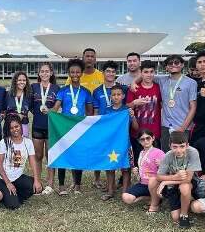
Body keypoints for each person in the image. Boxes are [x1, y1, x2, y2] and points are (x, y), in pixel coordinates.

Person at [53, 58, 93, 195]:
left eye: (77, 72)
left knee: (78, 156)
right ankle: (62, 186)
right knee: (63, 155)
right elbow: (56, 108)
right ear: (69, 73)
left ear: (81, 73)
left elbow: (89, 112)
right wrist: (50, 112)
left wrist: (89, 125)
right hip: (64, 128)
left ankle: (77, 185)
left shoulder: (86, 92)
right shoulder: (63, 90)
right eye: (72, 72)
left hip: (79, 129)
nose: (75, 74)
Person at [92, 61, 128, 190]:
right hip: (102, 128)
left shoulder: (122, 89)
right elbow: (95, 111)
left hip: (118, 130)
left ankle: (117, 185)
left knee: (118, 155)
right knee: (102, 153)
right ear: (103, 73)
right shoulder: (97, 91)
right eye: (108, 71)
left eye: (113, 71)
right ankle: (97, 179)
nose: (110, 74)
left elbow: (126, 107)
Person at [0, 114, 42, 210]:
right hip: (2, 179)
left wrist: (36, 180)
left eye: (16, 126)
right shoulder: (4, 142)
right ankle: (6, 195)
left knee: (38, 187)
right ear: (8, 129)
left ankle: (13, 195)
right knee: (14, 206)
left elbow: (33, 162)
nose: (15, 129)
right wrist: (8, 183)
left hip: (17, 177)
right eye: (11, 128)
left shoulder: (28, 142)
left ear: (21, 126)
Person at [156, 131, 202, 228]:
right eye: (175, 147)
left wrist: (166, 181)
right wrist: (174, 177)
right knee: (175, 217)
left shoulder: (193, 152)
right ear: (169, 146)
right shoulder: (168, 155)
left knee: (184, 187)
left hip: (189, 183)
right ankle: (187, 202)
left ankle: (184, 215)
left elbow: (188, 179)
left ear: (187, 145)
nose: (178, 150)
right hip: (173, 185)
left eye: (182, 146)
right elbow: (158, 176)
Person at [151, 55, 197, 150]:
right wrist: (134, 82)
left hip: (183, 126)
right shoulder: (161, 80)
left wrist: (183, 128)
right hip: (166, 127)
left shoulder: (191, 83)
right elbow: (143, 74)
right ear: (166, 67)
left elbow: (193, 107)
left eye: (176, 62)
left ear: (182, 65)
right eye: (170, 63)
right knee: (166, 154)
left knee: (182, 156)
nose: (173, 65)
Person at [30, 62, 60, 195]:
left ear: (51, 73)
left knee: (50, 156)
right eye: (42, 71)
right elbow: (29, 105)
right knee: (37, 156)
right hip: (37, 125)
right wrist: (38, 112)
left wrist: (51, 111)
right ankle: (38, 182)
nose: (44, 73)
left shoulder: (56, 88)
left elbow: (58, 106)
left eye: (47, 71)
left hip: (50, 126)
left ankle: (50, 184)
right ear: (38, 73)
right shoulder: (33, 87)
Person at [122, 129, 165, 214]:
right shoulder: (141, 153)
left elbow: (167, 171)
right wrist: (136, 172)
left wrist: (162, 165)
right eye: (142, 139)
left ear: (153, 138)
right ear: (139, 141)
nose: (145, 141)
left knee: (153, 181)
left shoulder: (159, 152)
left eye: (148, 138)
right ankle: (153, 198)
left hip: (155, 184)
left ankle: (154, 205)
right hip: (143, 184)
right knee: (126, 197)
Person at [127, 61, 162, 160]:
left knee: (155, 161)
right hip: (137, 132)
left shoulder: (158, 87)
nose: (149, 74)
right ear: (141, 73)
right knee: (138, 161)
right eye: (146, 72)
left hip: (154, 132)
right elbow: (126, 107)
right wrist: (134, 103)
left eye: (151, 72)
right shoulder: (134, 89)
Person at [6, 71, 32, 137]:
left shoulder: (29, 96)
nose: (22, 82)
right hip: (10, 127)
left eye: (24, 80)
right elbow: (3, 111)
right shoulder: (7, 95)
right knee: (10, 146)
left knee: (23, 146)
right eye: (19, 80)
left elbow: (34, 110)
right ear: (15, 81)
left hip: (24, 126)